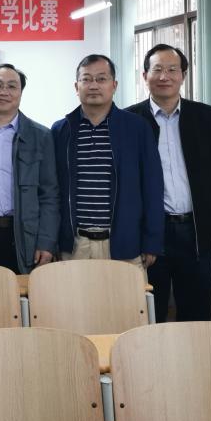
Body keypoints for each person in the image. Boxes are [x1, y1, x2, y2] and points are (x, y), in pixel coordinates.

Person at [126, 44, 211, 322]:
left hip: (196, 229)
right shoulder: (129, 121)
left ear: (183, 75)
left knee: (196, 309)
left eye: (172, 70)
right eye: (157, 70)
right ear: (145, 75)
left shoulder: (207, 117)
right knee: (151, 308)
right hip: (151, 232)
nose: (164, 76)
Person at [51, 55, 163, 269]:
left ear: (114, 85)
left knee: (127, 294)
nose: (94, 85)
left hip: (124, 244)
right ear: (76, 87)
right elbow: (51, 190)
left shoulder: (137, 128)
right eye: (86, 79)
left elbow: (152, 186)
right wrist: (53, 240)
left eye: (101, 79)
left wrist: (152, 240)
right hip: (74, 247)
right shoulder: (61, 130)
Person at [0, 63, 59, 274]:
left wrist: (46, 242)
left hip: (24, 237)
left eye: (12, 86)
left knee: (23, 293)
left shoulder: (41, 136)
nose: (4, 92)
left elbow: (50, 195)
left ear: (20, 92)